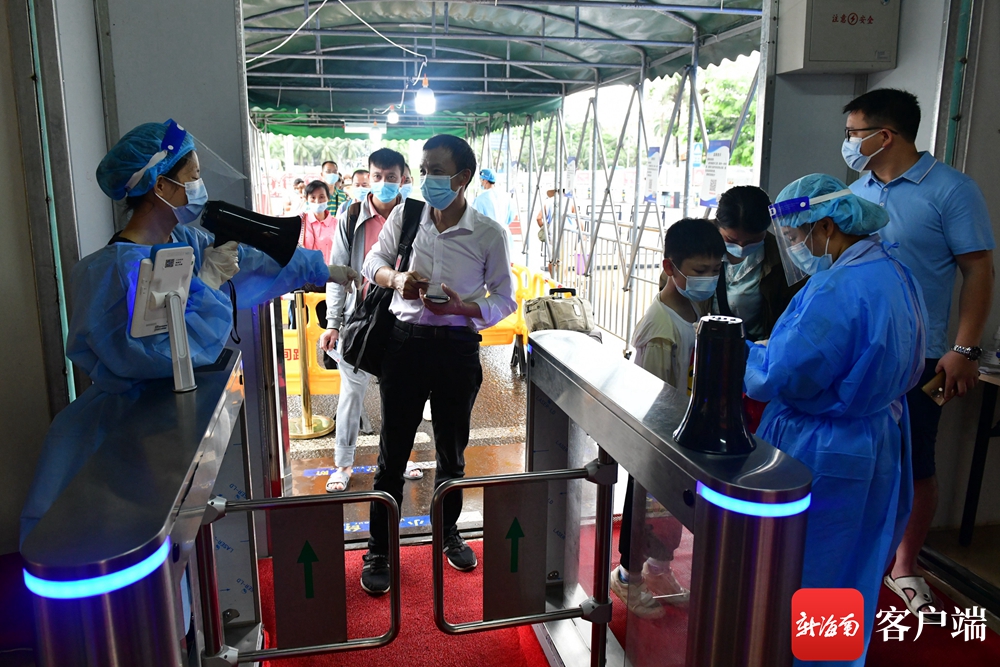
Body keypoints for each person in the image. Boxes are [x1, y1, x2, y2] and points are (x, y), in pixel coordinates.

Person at [19, 120, 360, 543]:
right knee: (127, 543)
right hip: (122, 432)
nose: (199, 186)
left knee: (175, 546)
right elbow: (155, 355)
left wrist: (321, 269)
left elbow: (253, 262)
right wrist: (208, 284)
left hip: (174, 428)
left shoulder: (184, 240)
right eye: (192, 176)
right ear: (161, 185)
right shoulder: (111, 272)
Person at [745, 174, 926, 666]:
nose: (796, 247)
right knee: (853, 566)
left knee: (807, 566)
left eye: (796, 235)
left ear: (826, 226)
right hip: (879, 437)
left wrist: (741, 353)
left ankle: (794, 657)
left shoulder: (837, 287)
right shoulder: (894, 270)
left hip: (824, 445)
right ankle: (831, 656)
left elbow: (783, 372)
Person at [842, 89, 995, 615]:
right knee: (860, 456)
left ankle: (905, 566)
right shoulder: (856, 191)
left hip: (921, 357)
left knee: (916, 461)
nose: (848, 143)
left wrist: (964, 348)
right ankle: (862, 557)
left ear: (884, 135)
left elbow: (978, 269)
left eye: (853, 133)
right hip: (860, 352)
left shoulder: (951, 190)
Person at [359, 134, 515, 595]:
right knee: (392, 454)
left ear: (463, 177)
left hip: (457, 350)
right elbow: (373, 261)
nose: (427, 179)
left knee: (452, 453)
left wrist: (465, 309)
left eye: (437, 171)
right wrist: (396, 279)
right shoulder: (407, 216)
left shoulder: (488, 233)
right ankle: (379, 549)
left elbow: (504, 298)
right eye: (423, 170)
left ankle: (448, 533)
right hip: (405, 346)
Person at [611, 218, 724, 619]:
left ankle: (658, 570)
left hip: (687, 432)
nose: (709, 279)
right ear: (669, 267)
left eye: (715, 269)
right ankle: (627, 577)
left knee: (672, 514)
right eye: (699, 270)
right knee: (644, 511)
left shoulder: (696, 308)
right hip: (660, 439)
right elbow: (652, 396)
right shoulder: (660, 329)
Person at [319, 148, 423, 492]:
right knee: (351, 394)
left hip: (404, 318)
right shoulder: (351, 217)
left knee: (401, 395)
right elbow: (336, 274)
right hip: (361, 318)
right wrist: (333, 323)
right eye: (377, 176)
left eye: (391, 177)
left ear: (403, 179)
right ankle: (343, 464)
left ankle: (401, 457)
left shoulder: (417, 215)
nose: (384, 183)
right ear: (368, 176)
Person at [710, 186, 803, 342]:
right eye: (731, 240)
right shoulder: (696, 245)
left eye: (752, 240)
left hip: (757, 346)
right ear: (718, 225)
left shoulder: (783, 260)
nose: (741, 247)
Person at [298, 180, 336, 263]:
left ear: (328, 198)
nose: (317, 201)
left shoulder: (336, 224)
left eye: (321, 197)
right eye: (313, 197)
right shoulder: (301, 221)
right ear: (307, 199)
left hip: (329, 269)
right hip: (306, 269)